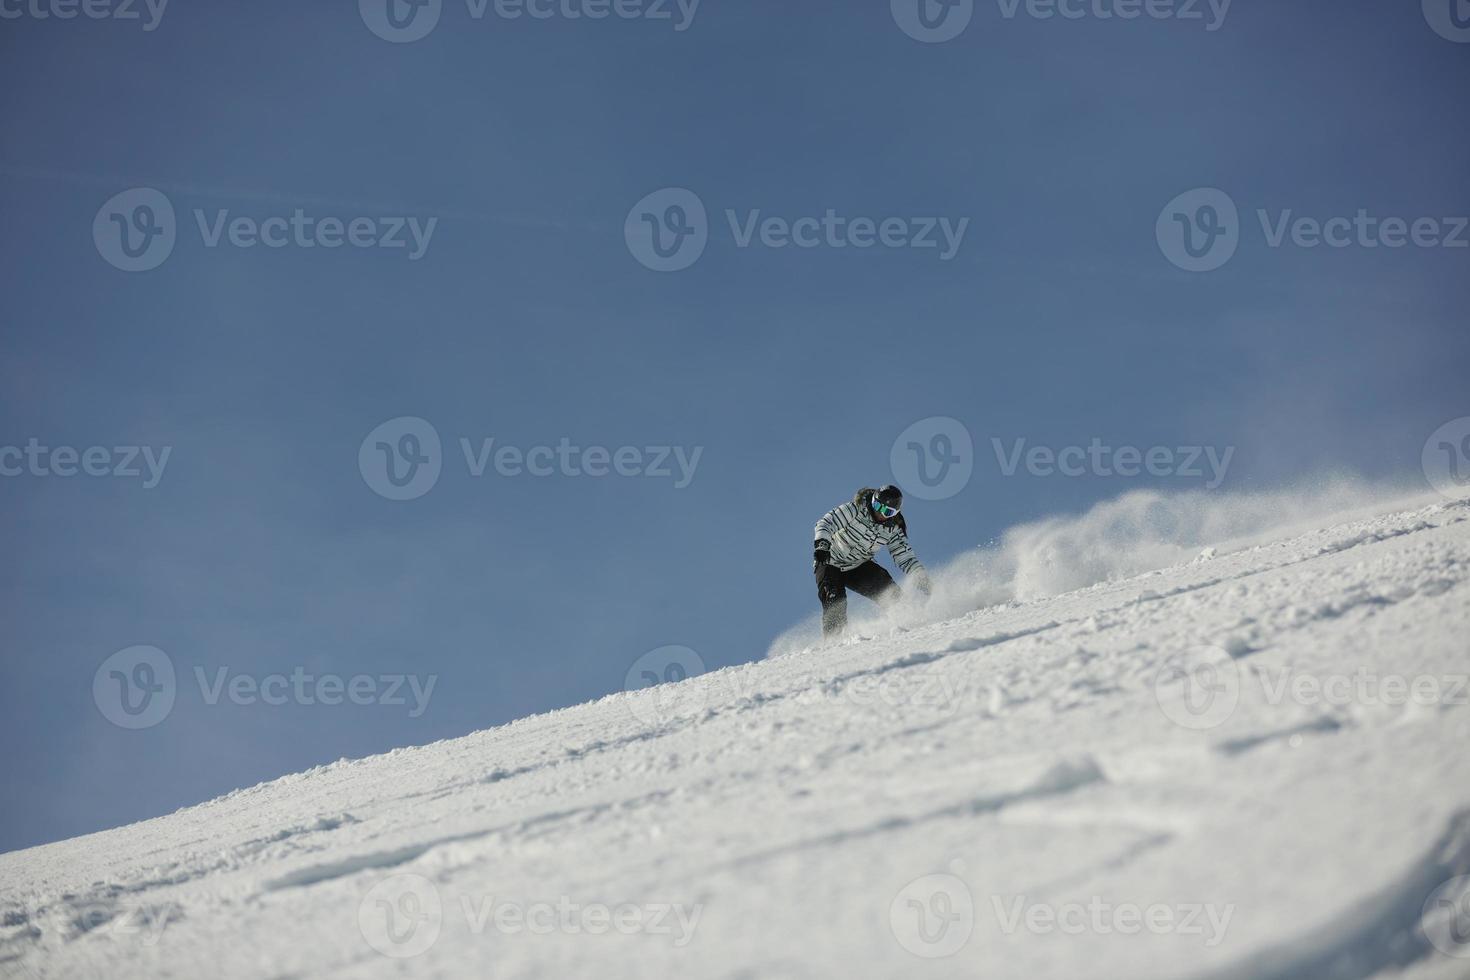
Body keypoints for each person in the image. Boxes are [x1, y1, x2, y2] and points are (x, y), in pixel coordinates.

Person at [813, 485, 931, 639]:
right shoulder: (855, 509)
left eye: (887, 511)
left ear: (895, 513)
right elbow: (826, 522)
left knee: (887, 588)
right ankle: (834, 642)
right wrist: (822, 545)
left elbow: (904, 556)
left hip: (858, 566)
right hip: (830, 562)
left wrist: (919, 576)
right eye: (878, 506)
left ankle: (913, 621)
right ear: (873, 501)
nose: (880, 513)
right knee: (835, 600)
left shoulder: (893, 529)